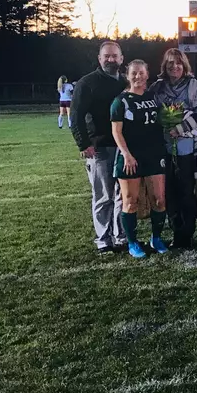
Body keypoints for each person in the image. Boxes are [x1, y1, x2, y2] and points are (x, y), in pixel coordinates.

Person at [71, 41, 127, 254]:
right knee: (104, 195)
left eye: (115, 56)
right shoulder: (87, 83)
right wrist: (84, 143)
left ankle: (120, 235)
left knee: (123, 195)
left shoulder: (125, 81)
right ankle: (103, 238)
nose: (111, 60)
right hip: (100, 147)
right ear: (99, 58)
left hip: (124, 148)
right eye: (107, 56)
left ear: (122, 59)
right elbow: (75, 116)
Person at [110, 60, 168, 259]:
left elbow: (163, 121)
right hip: (131, 157)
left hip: (154, 154)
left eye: (141, 73)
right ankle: (133, 242)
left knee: (159, 200)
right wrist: (126, 154)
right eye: (134, 73)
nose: (138, 77)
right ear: (128, 75)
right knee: (130, 201)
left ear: (147, 74)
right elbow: (116, 131)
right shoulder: (121, 101)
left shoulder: (154, 97)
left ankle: (156, 238)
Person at [150, 48, 197, 249]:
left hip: (187, 147)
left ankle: (187, 232)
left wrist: (181, 127)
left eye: (178, 63)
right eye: (170, 63)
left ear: (184, 65)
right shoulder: (157, 87)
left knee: (186, 191)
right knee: (168, 192)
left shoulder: (193, 85)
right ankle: (176, 230)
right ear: (164, 66)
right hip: (163, 149)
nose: (174, 66)